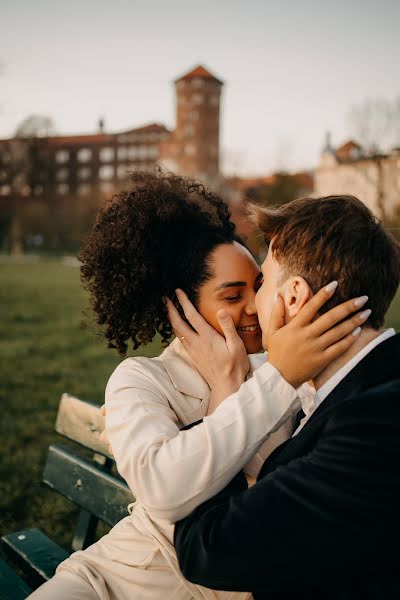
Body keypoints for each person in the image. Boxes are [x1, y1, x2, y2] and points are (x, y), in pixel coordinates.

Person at [29, 173, 362, 600]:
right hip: (115, 580)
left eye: (258, 287)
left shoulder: (282, 374)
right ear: (182, 304)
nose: (253, 308)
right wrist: (242, 389)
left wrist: (250, 383)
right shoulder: (142, 379)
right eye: (231, 296)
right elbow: (165, 492)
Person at [169, 194, 400, 599]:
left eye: (261, 284)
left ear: (292, 297)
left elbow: (209, 549)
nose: (254, 307)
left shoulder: (373, 426)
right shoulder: (356, 389)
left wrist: (227, 396)